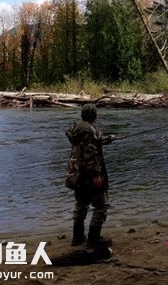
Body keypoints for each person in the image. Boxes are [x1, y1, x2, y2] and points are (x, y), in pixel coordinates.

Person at [65, 104, 116, 248]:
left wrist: (108, 139)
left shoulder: (78, 129)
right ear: (94, 116)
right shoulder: (89, 130)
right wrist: (96, 175)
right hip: (88, 176)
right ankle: (94, 239)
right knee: (102, 205)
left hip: (76, 175)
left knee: (81, 204)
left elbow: (91, 143)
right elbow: (89, 154)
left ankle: (77, 237)